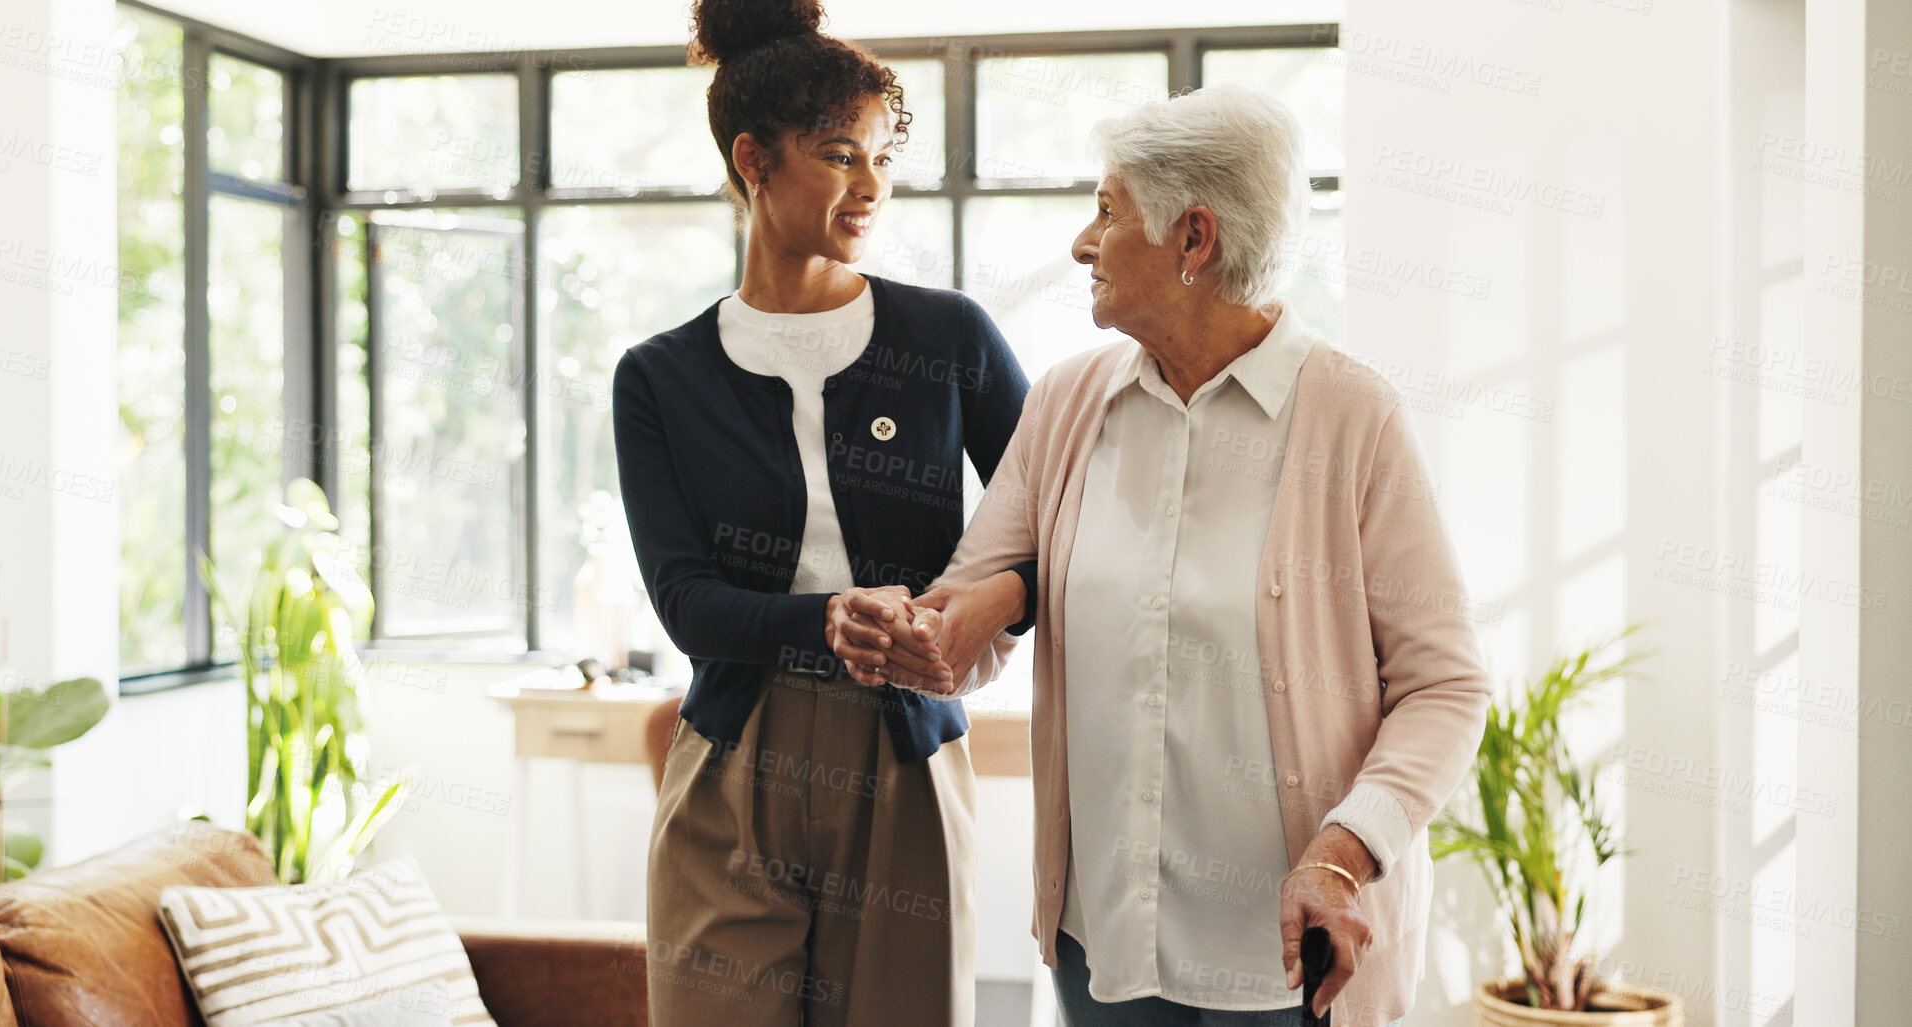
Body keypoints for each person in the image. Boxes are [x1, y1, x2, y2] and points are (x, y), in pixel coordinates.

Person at [836, 83, 1490, 1027]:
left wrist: (1342, 851)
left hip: (1285, 968)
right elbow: (971, 612)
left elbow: (1445, 684)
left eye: (1106, 210)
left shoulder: (1352, 419)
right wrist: (920, 631)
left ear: (1193, 239)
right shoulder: (1066, 404)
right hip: (1103, 949)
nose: (1081, 242)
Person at [611, 2, 1036, 1024]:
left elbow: (1061, 521)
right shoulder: (659, 376)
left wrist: (992, 608)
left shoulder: (949, 338)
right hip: (732, 754)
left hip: (904, 752)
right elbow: (685, 600)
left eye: (883, 157)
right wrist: (823, 618)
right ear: (753, 159)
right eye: (840, 154)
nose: (870, 185)